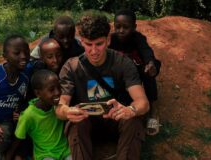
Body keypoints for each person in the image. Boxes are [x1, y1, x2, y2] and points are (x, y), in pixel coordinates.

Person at [55, 14, 149, 160]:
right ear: (81, 42)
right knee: (75, 124)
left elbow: (142, 102)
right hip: (87, 123)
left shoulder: (123, 63)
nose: (94, 51)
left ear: (108, 40)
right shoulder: (71, 67)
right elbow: (60, 107)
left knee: (133, 121)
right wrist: (67, 111)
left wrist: (130, 110)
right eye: (88, 44)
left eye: (99, 44)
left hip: (116, 120)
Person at [108, 9, 161, 135]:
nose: (121, 30)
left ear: (134, 27)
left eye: (126, 27)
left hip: (137, 70)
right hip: (119, 72)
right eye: (118, 26)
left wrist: (150, 63)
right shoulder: (111, 40)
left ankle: (153, 110)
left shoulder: (138, 38)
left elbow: (147, 52)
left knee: (149, 72)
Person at [6, 70, 71, 160]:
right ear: (38, 93)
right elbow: (18, 139)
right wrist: (8, 157)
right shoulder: (28, 115)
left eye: (59, 88)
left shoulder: (58, 106)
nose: (57, 92)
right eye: (51, 90)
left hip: (66, 150)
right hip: (45, 155)